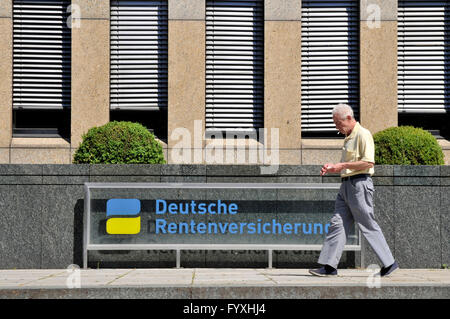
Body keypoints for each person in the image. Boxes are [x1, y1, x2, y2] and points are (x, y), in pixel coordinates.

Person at [309, 103, 399, 277]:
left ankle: (389, 263)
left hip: (359, 185)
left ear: (349, 118)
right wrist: (332, 167)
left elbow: (368, 162)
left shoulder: (363, 134)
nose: (337, 127)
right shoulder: (349, 136)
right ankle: (329, 266)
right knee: (338, 223)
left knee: (367, 223)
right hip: (346, 185)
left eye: (338, 123)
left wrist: (341, 165)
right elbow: (347, 165)